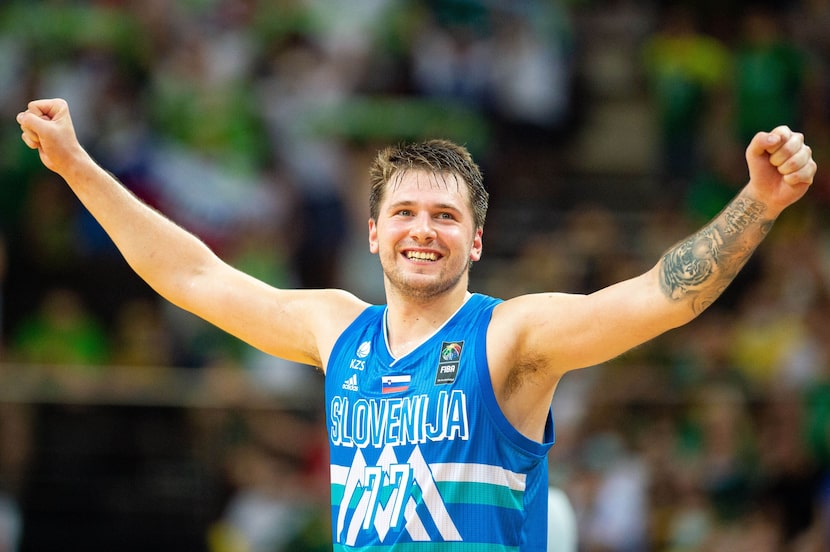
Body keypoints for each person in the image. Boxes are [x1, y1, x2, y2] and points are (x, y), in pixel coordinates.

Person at [16, 98, 815, 550]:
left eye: (443, 215)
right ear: (373, 233)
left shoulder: (511, 338)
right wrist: (78, 168)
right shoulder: (338, 330)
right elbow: (192, 275)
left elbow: (660, 297)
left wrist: (760, 203)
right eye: (403, 212)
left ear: (475, 238)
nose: (421, 229)